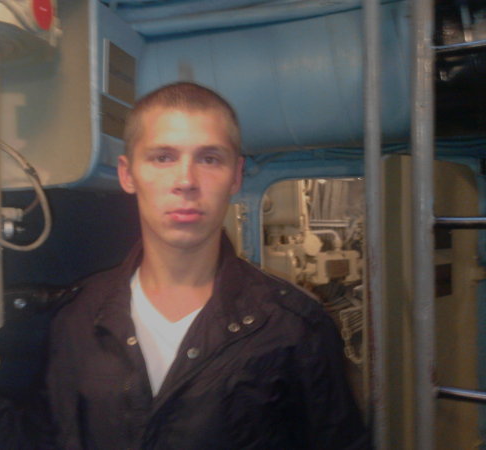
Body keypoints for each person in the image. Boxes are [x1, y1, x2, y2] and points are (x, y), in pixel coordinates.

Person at [47, 82, 370, 449]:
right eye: (163, 157)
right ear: (128, 174)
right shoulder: (78, 317)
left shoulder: (294, 327)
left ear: (236, 176)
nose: (186, 181)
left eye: (209, 159)